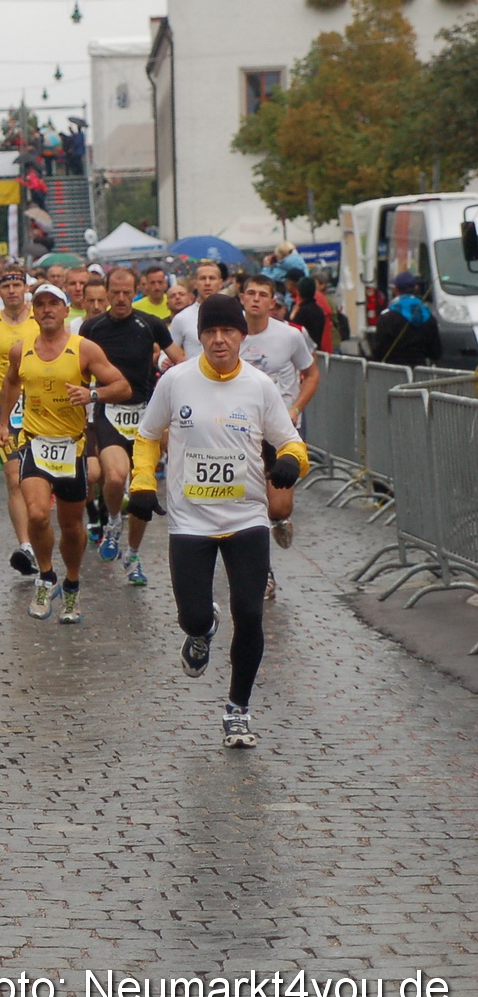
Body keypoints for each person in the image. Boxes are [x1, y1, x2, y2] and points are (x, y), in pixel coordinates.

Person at [129, 294, 308, 748]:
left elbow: (290, 440)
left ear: (242, 336)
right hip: (190, 520)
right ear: (200, 337)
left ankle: (238, 710)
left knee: (249, 614)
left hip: (246, 515)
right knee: (191, 616)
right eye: (210, 332)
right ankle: (202, 627)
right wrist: (143, 482)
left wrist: (290, 462)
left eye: (228, 331)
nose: (219, 340)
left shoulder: (259, 385)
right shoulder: (175, 380)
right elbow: (147, 437)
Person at [0, 284, 131, 624]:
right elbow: (11, 382)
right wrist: (2, 423)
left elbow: (122, 386)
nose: (46, 310)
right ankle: (46, 576)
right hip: (34, 444)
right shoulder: (20, 349)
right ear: (32, 311)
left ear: (66, 309)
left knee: (72, 526)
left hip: (72, 449)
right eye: (39, 304)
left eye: (53, 303)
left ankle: (71, 583)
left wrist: (92, 395)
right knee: (38, 514)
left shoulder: (83, 348)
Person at [77, 268, 185, 584]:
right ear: (107, 293)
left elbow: (181, 360)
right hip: (108, 412)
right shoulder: (92, 327)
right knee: (114, 476)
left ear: (134, 291)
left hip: (145, 416)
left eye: (127, 293)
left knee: (143, 491)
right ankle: (112, 521)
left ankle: (133, 554)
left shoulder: (149, 324)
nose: (121, 299)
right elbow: (78, 367)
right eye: (116, 293)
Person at [237, 274, 321, 582]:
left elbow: (311, 374)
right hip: (241, 432)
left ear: (273, 303)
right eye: (251, 293)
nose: (256, 298)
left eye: (263, 294)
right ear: (242, 298)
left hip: (280, 431)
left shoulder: (289, 337)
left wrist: (295, 408)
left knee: (279, 507)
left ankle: (280, 521)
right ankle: (263, 574)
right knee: (250, 505)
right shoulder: (231, 336)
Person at [373, 272, 443, 367]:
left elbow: (379, 353)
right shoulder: (428, 317)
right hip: (421, 376)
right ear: (416, 288)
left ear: (396, 290)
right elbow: (436, 353)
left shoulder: (386, 318)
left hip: (392, 374)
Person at [169, 262, 228, 359]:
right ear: (195, 283)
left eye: (212, 278)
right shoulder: (182, 318)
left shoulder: (236, 314)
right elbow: (168, 350)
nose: (207, 283)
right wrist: (163, 361)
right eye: (203, 278)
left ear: (221, 283)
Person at [289, 275, 329, 351]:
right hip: (316, 351)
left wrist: (292, 316)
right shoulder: (319, 310)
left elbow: (292, 332)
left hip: (303, 352)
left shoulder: (301, 312)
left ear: (299, 291)